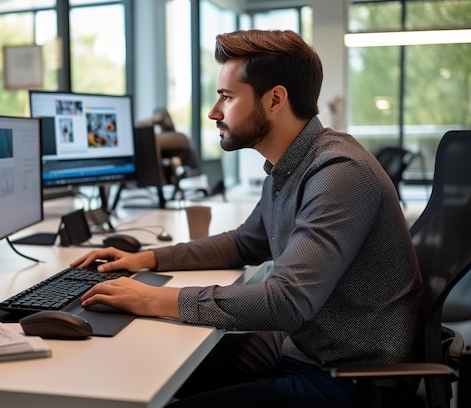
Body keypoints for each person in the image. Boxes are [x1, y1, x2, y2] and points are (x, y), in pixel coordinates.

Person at [70, 29, 422, 408]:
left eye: (227, 97)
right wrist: (149, 259)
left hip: (350, 378)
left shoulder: (339, 172)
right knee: (146, 370)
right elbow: (244, 242)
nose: (214, 111)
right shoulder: (288, 165)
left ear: (275, 100)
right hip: (307, 348)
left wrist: (156, 299)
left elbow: (287, 302)